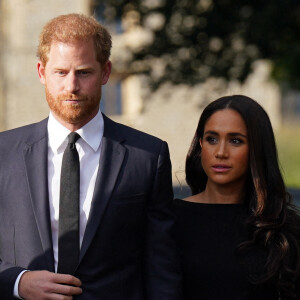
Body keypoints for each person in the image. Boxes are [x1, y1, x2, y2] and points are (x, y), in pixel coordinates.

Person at [0, 13, 181, 300]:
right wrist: (17, 282)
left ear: (106, 72)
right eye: (60, 72)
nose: (71, 86)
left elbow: (161, 268)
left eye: (84, 72)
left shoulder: (147, 157)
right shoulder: (3, 153)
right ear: (41, 72)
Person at [173, 95, 300, 299]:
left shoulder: (284, 229)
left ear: (257, 149)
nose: (221, 152)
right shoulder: (169, 220)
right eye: (212, 139)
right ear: (201, 144)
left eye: (235, 141)